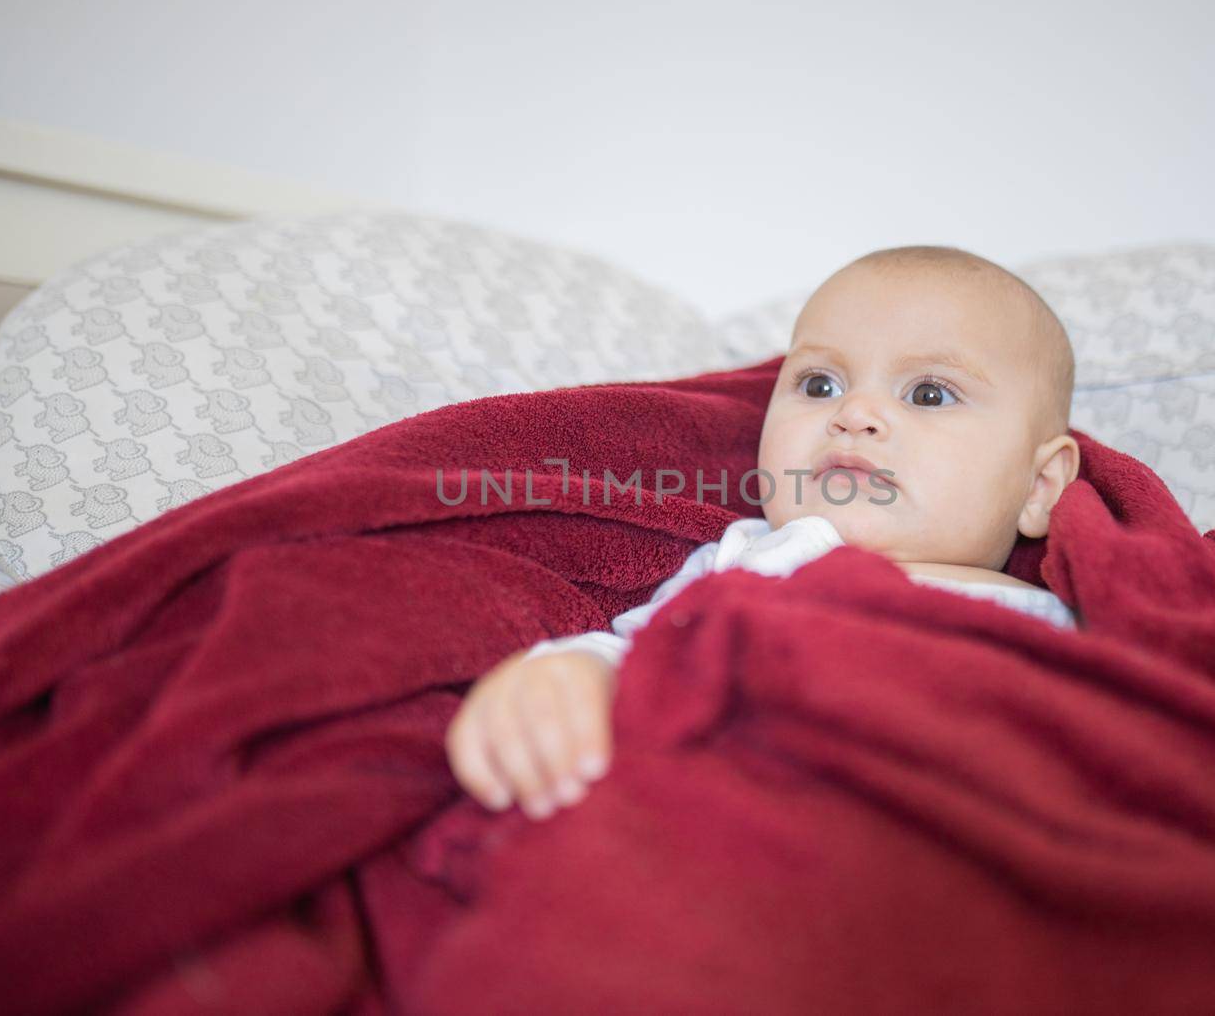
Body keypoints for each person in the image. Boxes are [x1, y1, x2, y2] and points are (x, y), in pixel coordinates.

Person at [445, 245, 1081, 821]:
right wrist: (565, 675)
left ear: (1039, 487)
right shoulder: (748, 557)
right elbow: (642, 650)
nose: (854, 414)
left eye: (930, 395)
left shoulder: (1056, 625)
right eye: (819, 384)